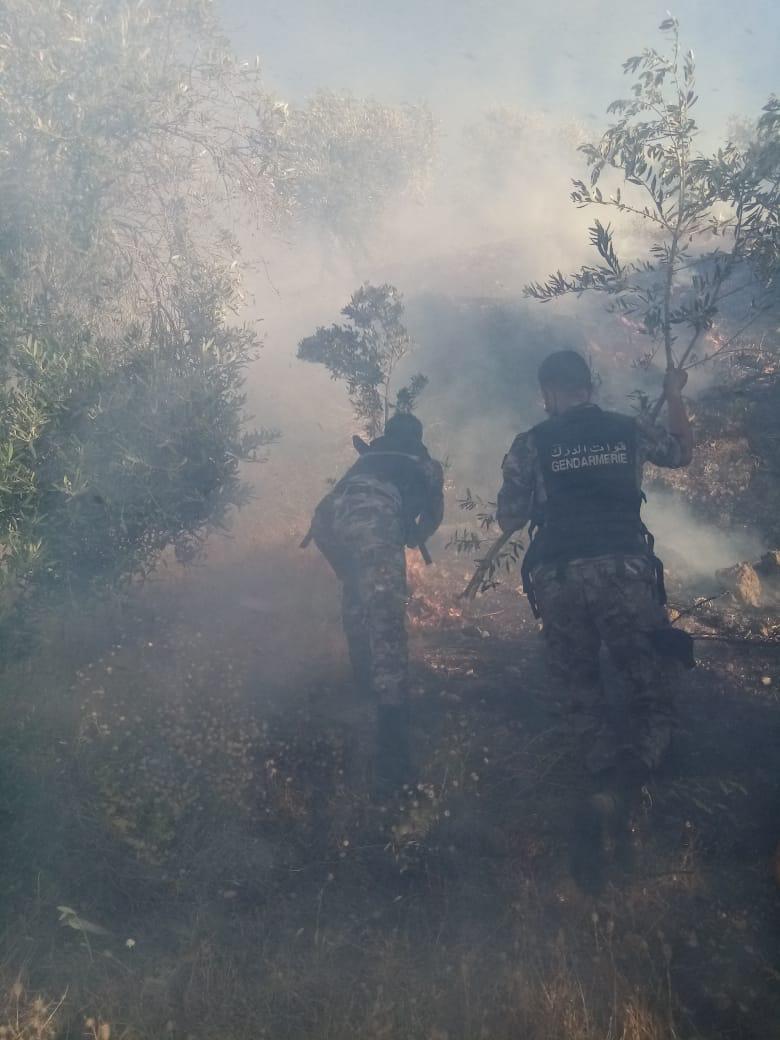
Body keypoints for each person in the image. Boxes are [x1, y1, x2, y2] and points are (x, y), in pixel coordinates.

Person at [496, 350, 693, 782]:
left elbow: (509, 518)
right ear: (588, 387)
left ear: (550, 392)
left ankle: (600, 768)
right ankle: (645, 759)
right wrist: (674, 395)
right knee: (646, 673)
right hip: (624, 570)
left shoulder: (531, 443)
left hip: (559, 575)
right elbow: (681, 453)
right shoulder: (629, 429)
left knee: (577, 681)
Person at [306, 412, 444, 793]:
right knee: (387, 626)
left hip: (326, 522)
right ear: (419, 439)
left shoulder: (371, 457)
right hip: (375, 522)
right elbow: (434, 515)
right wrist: (415, 535)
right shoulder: (425, 464)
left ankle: (364, 684)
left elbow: (336, 508)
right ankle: (392, 752)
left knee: (356, 590)